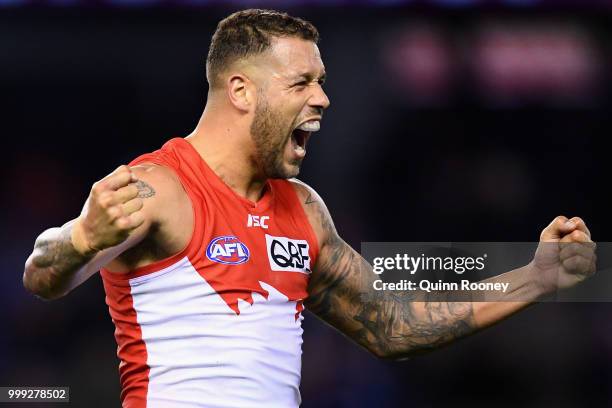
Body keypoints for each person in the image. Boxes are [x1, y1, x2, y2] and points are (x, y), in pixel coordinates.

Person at [23, 8, 596, 408]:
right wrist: (81, 238)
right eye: (302, 82)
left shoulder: (303, 209)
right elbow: (42, 272)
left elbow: (392, 327)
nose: (322, 98)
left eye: (321, 81)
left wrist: (536, 277)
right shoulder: (159, 188)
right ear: (242, 92)